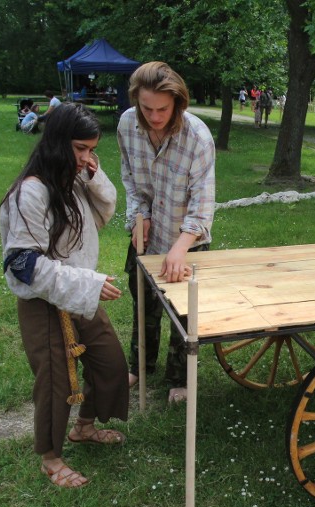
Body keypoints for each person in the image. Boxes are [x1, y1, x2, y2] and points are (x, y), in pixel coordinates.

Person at [0, 103, 130, 488]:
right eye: (80, 149)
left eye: (92, 150)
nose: (87, 158)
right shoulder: (31, 192)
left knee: (110, 362)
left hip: (77, 291)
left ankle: (84, 427)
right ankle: (51, 459)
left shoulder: (70, 180)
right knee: (55, 382)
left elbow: (102, 217)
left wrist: (93, 177)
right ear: (57, 142)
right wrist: (85, 285)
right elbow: (23, 262)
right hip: (43, 301)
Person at [117, 61, 216, 404]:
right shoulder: (127, 124)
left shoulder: (198, 137)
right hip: (146, 234)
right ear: (136, 101)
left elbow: (202, 205)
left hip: (186, 240)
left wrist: (181, 248)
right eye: (147, 108)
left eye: (162, 109)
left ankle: (180, 377)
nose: (154, 116)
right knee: (143, 305)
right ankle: (139, 365)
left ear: (177, 103)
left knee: (181, 313)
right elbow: (130, 178)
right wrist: (137, 216)